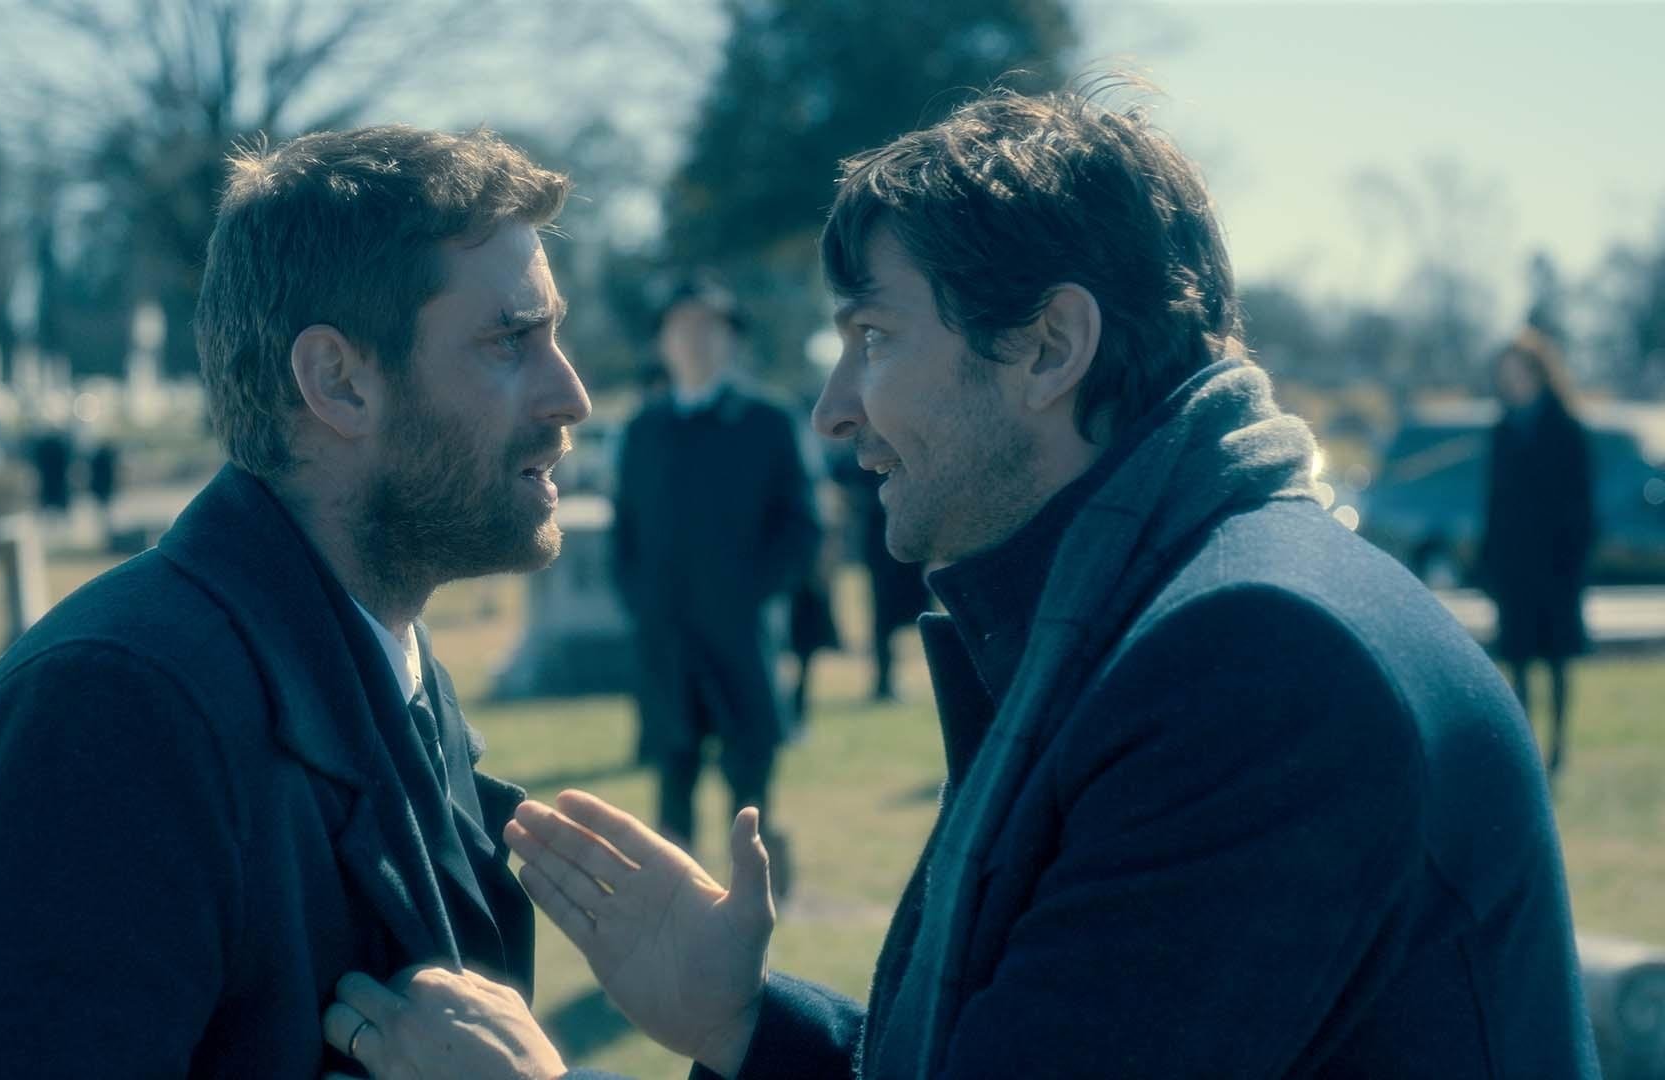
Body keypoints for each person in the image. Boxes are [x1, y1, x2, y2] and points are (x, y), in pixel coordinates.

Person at [330, 85, 1598, 1078]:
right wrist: (745, 1026)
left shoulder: (1255, 668)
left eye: (874, 337)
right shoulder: (1170, 614)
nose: (835, 410)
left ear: (1048, 347)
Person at [0, 124, 590, 1077]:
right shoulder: (109, 717)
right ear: (338, 382)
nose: (570, 394)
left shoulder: (379, 655)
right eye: (510, 340)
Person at [609, 274, 820, 857]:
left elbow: (802, 525)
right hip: (666, 636)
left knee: (750, 782)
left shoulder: (767, 420)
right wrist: (641, 601)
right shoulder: (643, 429)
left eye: (710, 326)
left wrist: (751, 592)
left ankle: (754, 889)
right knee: (672, 780)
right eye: (681, 328)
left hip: (741, 632)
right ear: (661, 342)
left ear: (732, 338)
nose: (695, 340)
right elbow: (624, 530)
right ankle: (675, 894)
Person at [1478, 327, 1596, 779]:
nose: (1512, 383)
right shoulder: (1503, 430)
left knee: (1557, 661)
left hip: (1556, 567)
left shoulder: (1566, 429)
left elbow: (1582, 505)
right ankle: (1526, 749)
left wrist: (1573, 563)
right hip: (1515, 567)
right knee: (1519, 661)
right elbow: (1493, 502)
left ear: (1539, 374)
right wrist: (1490, 562)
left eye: (1518, 373)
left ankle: (1558, 749)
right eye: (1505, 375)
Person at [829, 450, 930, 701]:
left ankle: (889, 679)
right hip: (879, 543)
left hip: (909, 540)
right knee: (883, 617)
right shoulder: (863, 455)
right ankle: (883, 680)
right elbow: (840, 478)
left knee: (905, 612)